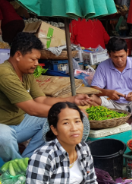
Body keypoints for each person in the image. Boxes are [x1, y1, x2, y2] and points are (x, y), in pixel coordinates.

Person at [0, 32, 91, 162]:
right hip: (3, 127)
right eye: (33, 59)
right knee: (3, 136)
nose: (37, 63)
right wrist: (70, 112)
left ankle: (29, 161)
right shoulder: (5, 73)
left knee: (49, 122)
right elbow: (32, 109)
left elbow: (42, 100)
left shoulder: (26, 73)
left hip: (19, 123)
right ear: (18, 55)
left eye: (38, 59)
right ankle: (16, 168)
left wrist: (71, 100)